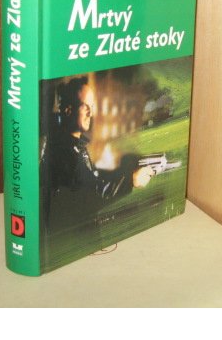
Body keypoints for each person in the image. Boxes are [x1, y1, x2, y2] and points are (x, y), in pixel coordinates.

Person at [41, 76, 154, 249]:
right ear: (69, 109)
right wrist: (132, 180)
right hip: (72, 244)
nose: (91, 113)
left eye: (92, 107)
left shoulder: (72, 145)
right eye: (86, 106)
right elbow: (91, 195)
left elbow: (89, 181)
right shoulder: (63, 151)